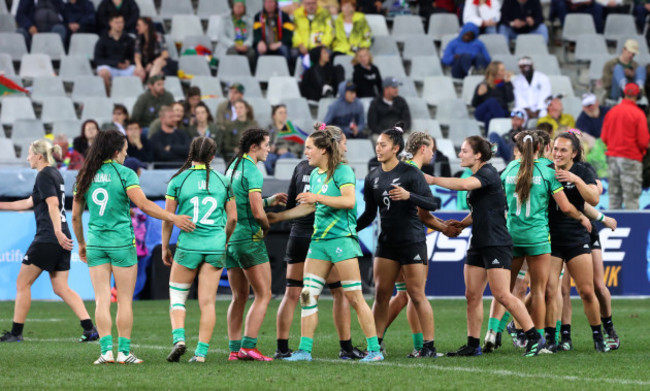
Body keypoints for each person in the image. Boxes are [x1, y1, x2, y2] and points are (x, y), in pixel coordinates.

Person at [71, 129, 195, 364]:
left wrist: (81, 244)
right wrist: (174, 218)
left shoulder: (85, 175)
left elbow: (76, 217)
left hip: (96, 243)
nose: (126, 155)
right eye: (125, 151)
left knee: (101, 299)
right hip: (121, 244)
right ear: (116, 152)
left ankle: (106, 352)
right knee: (125, 300)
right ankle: (124, 352)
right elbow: (145, 205)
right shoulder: (125, 174)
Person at [267, 127, 384, 362]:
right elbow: (309, 206)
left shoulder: (343, 171)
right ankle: (304, 351)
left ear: (322, 150)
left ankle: (374, 351)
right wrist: (279, 217)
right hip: (319, 242)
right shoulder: (318, 174)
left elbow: (349, 201)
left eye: (309, 147)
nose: (306, 152)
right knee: (307, 296)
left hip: (342, 241)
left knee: (354, 297)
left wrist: (317, 198)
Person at [428, 136, 544, 357]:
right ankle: (473, 344)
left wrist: (432, 179)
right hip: (479, 242)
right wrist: (462, 224)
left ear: (478, 155)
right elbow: (481, 210)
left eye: (463, 151)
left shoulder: (488, 173)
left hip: (496, 242)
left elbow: (463, 185)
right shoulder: (480, 176)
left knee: (502, 294)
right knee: (471, 295)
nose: (460, 154)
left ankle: (534, 337)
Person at [499, 131, 592, 352]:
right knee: (539, 291)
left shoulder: (508, 170)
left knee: (508, 292)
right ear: (543, 148)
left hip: (513, 237)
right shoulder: (547, 172)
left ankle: (510, 330)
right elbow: (567, 207)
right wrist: (581, 217)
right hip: (538, 239)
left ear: (519, 149)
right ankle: (537, 341)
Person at [357, 126, 444, 358]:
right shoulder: (372, 177)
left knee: (416, 294)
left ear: (396, 148)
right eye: (377, 144)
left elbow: (432, 204)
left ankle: (428, 346)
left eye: (383, 144)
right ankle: (374, 345)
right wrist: (350, 229)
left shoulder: (411, 173)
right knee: (381, 295)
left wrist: (409, 196)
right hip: (386, 244)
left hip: (412, 241)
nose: (378, 148)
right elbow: (368, 214)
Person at [0, 139, 97, 343]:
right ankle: (90, 329)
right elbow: (27, 203)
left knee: (22, 283)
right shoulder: (55, 174)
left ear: (39, 156)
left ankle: (16, 333)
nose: (27, 158)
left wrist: (56, 233)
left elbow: (53, 205)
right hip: (61, 235)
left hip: (49, 237)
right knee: (61, 287)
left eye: (29, 154)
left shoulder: (44, 175)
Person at [162, 137, 238, 363]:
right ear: (213, 157)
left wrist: (165, 246)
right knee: (208, 303)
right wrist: (223, 240)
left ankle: (179, 339)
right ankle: (202, 354)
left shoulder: (178, 180)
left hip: (188, 246)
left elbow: (168, 219)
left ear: (191, 153)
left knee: (177, 296)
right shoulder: (224, 181)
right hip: (215, 245)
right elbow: (233, 218)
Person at [224, 128, 287, 361]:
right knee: (264, 294)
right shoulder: (253, 170)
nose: (269, 149)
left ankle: (233, 349)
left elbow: (238, 202)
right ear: (254, 147)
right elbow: (255, 210)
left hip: (230, 238)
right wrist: (265, 226)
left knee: (239, 296)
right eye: (267, 145)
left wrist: (269, 200)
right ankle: (248, 346)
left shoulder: (232, 167)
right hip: (249, 238)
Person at [545, 131, 610, 352]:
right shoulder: (546, 169)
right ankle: (551, 339)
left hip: (576, 237)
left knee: (586, 291)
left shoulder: (582, 170)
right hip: (551, 239)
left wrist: (575, 179)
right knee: (550, 291)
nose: (558, 153)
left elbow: (593, 198)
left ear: (574, 153)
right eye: (555, 149)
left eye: (563, 150)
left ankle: (598, 336)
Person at [601, 83, 650, 210]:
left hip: (612, 159)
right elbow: (644, 141)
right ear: (638, 96)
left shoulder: (611, 112)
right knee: (631, 200)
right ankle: (634, 229)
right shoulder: (638, 114)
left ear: (623, 94)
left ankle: (612, 229)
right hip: (631, 159)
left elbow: (604, 137)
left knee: (614, 198)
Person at [94, 13, 136, 93]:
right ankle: (107, 96)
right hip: (110, 67)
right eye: (117, 22)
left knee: (139, 72)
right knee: (103, 72)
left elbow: (134, 56)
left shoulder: (129, 39)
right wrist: (115, 64)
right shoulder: (103, 40)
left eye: (121, 22)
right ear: (110, 23)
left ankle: (134, 96)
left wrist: (128, 62)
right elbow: (98, 59)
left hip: (125, 68)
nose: (119, 25)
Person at [472, 61, 514, 130]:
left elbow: (510, 99)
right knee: (492, 101)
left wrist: (507, 83)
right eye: (502, 70)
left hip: (500, 111)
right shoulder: (483, 84)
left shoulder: (505, 84)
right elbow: (474, 104)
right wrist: (478, 95)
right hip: (482, 112)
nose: (505, 72)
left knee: (489, 116)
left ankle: (489, 138)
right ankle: (502, 122)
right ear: (495, 72)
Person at [265, 104, 304, 174]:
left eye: (285, 113)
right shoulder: (268, 129)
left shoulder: (291, 129)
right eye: (280, 113)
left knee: (284, 158)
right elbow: (263, 144)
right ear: (274, 116)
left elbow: (300, 146)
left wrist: (288, 149)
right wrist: (271, 149)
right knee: (266, 159)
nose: (283, 115)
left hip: (288, 153)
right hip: (273, 154)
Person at [223, 0, 256, 72]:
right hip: (230, 46)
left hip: (244, 46)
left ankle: (250, 74)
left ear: (244, 9)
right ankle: (233, 73)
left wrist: (246, 45)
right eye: (237, 6)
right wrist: (234, 45)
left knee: (252, 53)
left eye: (241, 7)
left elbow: (251, 36)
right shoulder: (225, 19)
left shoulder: (250, 19)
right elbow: (221, 36)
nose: (238, 8)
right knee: (233, 53)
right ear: (233, 7)